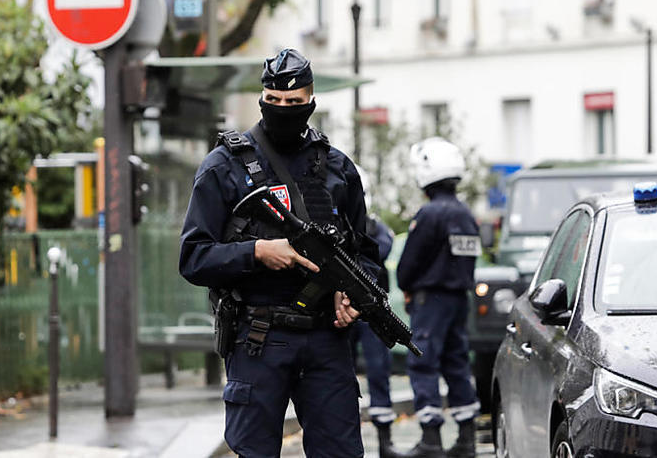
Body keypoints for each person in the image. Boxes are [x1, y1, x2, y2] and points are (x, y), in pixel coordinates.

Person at [179, 48, 380, 458]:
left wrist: (353, 293)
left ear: (310, 102)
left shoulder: (337, 168)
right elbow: (194, 257)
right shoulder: (224, 167)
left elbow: (365, 250)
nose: (283, 109)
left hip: (327, 338)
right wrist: (257, 252)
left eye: (293, 103)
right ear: (262, 99)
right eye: (274, 101)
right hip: (258, 338)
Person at [396, 138, 481, 458]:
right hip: (459, 300)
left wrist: (406, 283)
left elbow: (409, 262)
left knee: (423, 363)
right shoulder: (465, 215)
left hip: (430, 301)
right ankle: (467, 439)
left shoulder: (430, 214)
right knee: (457, 363)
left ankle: (431, 440)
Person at [349, 166, 411, 458]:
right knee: (339, 375)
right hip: (341, 315)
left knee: (379, 373)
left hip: (371, 317)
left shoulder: (375, 228)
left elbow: (381, 250)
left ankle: (385, 439)